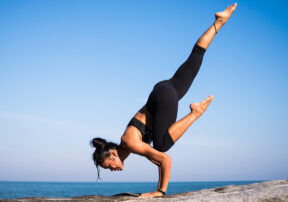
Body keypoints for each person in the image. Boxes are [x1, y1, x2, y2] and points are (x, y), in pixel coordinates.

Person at [90, 3, 237, 198]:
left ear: (113, 155)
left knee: (161, 145)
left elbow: (165, 159)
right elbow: (156, 160)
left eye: (109, 166)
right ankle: (219, 22)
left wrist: (159, 192)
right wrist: (156, 162)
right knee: (195, 59)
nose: (113, 170)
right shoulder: (127, 146)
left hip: (163, 98)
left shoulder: (130, 143)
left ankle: (195, 113)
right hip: (163, 90)